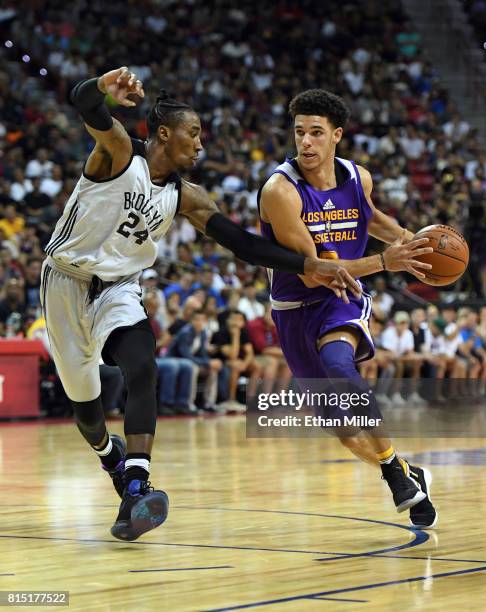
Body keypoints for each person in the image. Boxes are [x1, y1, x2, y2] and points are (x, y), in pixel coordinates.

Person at [41, 67, 357, 541]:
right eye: (194, 134)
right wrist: (102, 91)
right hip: (64, 283)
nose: (201, 144)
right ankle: (112, 458)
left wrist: (307, 266)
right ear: (165, 134)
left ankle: (137, 483)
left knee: (142, 364)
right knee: (87, 416)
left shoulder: (186, 197)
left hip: (119, 288)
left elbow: (243, 244)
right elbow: (83, 104)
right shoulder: (121, 155)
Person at [258, 89, 437, 529]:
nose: (306, 142)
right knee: (344, 430)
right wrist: (383, 261)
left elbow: (369, 217)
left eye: (316, 133)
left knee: (340, 367)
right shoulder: (280, 192)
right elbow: (312, 273)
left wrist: (410, 239)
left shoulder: (359, 178)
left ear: (336, 135)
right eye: (299, 132)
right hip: (297, 302)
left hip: (341, 300)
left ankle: (395, 475)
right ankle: (407, 471)